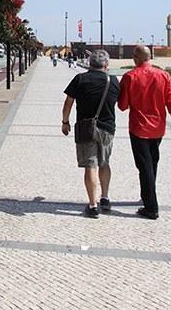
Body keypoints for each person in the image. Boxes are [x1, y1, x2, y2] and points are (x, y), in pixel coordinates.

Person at [118, 45, 171, 220]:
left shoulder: (129, 77)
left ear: (136, 58)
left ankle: (151, 207)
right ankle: (147, 196)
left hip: (138, 128)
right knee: (152, 162)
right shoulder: (163, 75)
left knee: (144, 166)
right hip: (158, 128)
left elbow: (122, 106)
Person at [61, 50, 120, 218]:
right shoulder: (113, 81)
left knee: (90, 165)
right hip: (107, 129)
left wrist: (65, 122)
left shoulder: (80, 79)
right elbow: (121, 102)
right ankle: (105, 197)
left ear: (89, 63)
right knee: (104, 163)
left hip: (86, 128)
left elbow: (68, 102)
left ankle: (93, 205)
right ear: (106, 65)